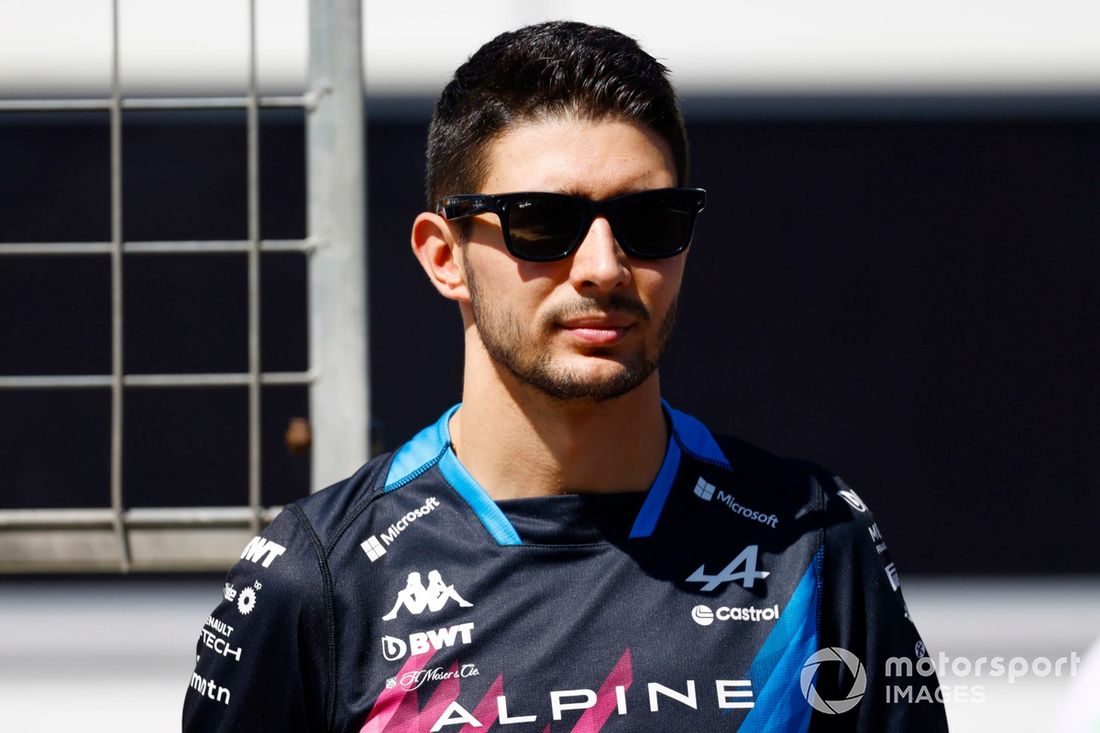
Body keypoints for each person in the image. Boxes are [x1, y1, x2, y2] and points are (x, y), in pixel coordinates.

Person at [183, 21, 948, 732]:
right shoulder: (320, 578)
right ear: (443, 256)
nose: (604, 267)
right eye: (543, 222)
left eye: (649, 221)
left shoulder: (812, 538)